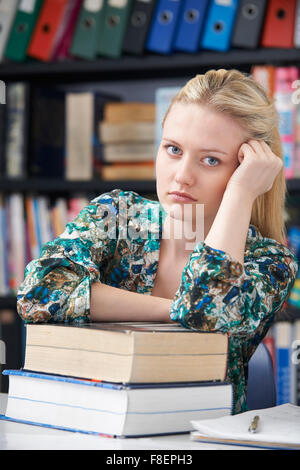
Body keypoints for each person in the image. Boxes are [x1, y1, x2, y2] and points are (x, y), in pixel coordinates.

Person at [17, 69, 298, 414]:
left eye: (211, 160)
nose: (182, 176)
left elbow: (207, 309)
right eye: (173, 149)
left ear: (247, 170)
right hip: (91, 428)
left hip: (200, 438)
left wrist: (241, 194)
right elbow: (38, 293)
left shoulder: (270, 262)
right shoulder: (118, 216)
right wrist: (173, 312)